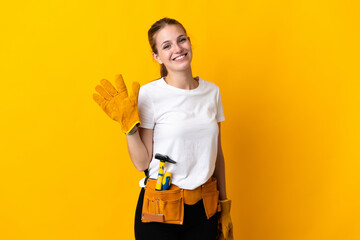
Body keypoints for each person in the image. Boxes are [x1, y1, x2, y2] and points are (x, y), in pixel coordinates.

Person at [93, 17, 233, 240]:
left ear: (189, 42)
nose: (177, 49)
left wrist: (224, 205)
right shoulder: (150, 94)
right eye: (167, 46)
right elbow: (142, 162)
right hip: (159, 209)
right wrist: (129, 129)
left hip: (205, 208)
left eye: (181, 40)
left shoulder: (212, 92)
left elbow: (218, 156)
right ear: (157, 56)